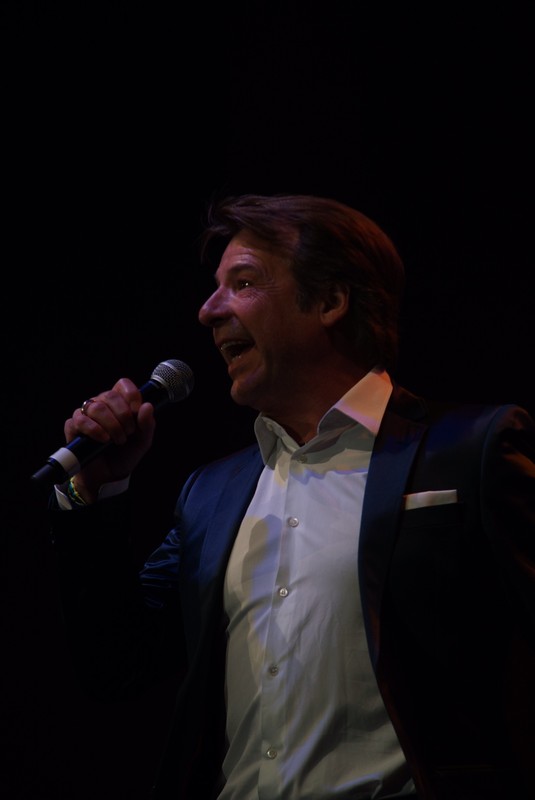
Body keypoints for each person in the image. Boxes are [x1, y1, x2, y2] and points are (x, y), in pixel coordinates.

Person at [48, 193, 535, 800]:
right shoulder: (212, 493)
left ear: (330, 301)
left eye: (243, 283)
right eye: (215, 288)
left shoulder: (470, 452)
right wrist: (93, 490)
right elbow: (117, 664)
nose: (207, 310)